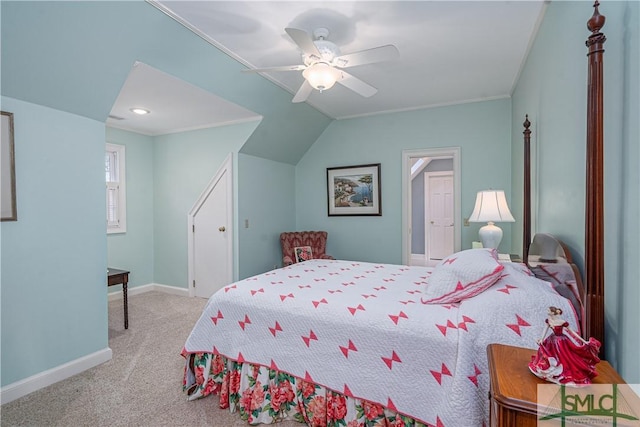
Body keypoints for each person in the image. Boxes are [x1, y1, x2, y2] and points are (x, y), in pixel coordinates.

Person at [529, 306, 601, 385]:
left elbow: (572, 332)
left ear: (553, 313)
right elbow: (545, 330)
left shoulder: (562, 322)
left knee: (565, 357)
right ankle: (550, 370)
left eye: (549, 311)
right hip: (552, 340)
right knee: (546, 353)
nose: (547, 312)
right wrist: (541, 339)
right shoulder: (548, 321)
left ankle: (561, 372)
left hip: (561, 341)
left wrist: (583, 341)